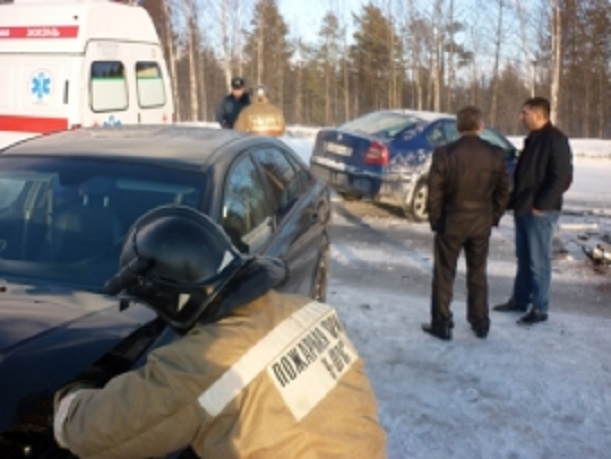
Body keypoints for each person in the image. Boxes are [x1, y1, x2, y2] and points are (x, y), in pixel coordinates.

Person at [53, 205, 386, 459]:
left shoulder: (207, 361)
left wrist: (71, 400)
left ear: (171, 299)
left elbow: (99, 431)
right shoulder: (305, 310)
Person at [422, 106, 510, 341]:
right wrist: (494, 216)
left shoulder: (444, 153)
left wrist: (436, 220)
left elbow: (435, 192)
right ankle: (480, 323)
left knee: (444, 274)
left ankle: (442, 324)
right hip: (480, 222)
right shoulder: (495, 153)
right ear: (481, 126)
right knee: (477, 273)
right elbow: (504, 190)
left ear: (458, 127)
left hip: (452, 220)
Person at [493, 97, 573, 325]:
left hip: (540, 211)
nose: (521, 117)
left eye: (524, 113)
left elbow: (562, 178)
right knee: (524, 258)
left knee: (539, 261)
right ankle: (520, 300)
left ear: (539, 115)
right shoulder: (533, 139)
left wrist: (542, 204)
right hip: (523, 207)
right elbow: (524, 176)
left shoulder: (556, 140)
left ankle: (540, 307)